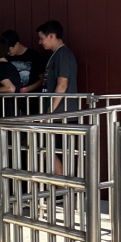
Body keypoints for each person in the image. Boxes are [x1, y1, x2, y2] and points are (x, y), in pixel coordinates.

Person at [38, 20, 78, 175]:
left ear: (51, 36)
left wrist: (50, 112)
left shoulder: (63, 54)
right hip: (59, 113)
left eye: (42, 38)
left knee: (49, 150)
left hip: (61, 114)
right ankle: (62, 189)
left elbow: (62, 84)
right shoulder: (57, 55)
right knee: (50, 150)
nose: (40, 42)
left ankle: (63, 189)